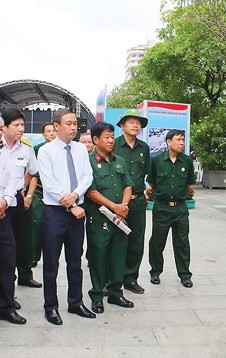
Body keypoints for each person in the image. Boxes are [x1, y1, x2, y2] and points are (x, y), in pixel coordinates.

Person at [37, 108, 96, 325]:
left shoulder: (81, 149)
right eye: (69, 123)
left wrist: (76, 194)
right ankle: (50, 307)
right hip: (55, 213)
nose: (73, 127)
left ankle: (75, 302)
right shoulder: (45, 151)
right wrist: (70, 203)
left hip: (76, 212)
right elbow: (49, 183)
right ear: (56, 126)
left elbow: (87, 175)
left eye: (75, 124)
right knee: (51, 263)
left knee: (75, 260)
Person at [85, 122, 135, 314]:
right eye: (106, 137)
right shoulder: (88, 161)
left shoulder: (119, 160)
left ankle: (116, 293)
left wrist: (123, 206)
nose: (111, 140)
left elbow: (128, 185)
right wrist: (114, 207)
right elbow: (91, 191)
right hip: (99, 219)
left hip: (119, 219)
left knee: (118, 256)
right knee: (98, 257)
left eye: (112, 137)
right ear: (95, 139)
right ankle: (97, 295)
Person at [0, 111, 27, 325]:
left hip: (4, 213)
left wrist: (5, 202)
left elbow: (11, 181)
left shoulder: (2, 154)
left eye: (1, 128)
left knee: (8, 261)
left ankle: (7, 307)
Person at [148, 130, 195, 288]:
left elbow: (189, 185)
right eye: (178, 140)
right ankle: (155, 272)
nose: (182, 143)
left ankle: (185, 275)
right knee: (157, 242)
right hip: (162, 208)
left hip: (180, 209)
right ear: (169, 142)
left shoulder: (187, 161)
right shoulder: (157, 160)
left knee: (182, 242)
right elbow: (152, 182)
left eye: (183, 139)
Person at [0, 108, 41, 288]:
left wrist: (25, 191)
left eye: (22, 125)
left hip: (19, 198)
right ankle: (7, 283)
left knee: (25, 240)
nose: (21, 128)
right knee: (5, 246)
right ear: (4, 127)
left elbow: (33, 172)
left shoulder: (26, 147)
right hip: (0, 200)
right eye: (16, 125)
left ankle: (25, 274)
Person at [113, 109, 150, 295]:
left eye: (138, 123)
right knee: (115, 241)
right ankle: (112, 280)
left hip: (137, 202)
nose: (136, 125)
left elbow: (147, 174)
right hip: (116, 202)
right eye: (132, 122)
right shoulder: (114, 145)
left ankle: (131, 278)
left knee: (136, 242)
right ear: (122, 125)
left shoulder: (144, 148)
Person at [26, 122, 56, 269]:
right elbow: (32, 173)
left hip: (58, 195)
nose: (51, 133)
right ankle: (33, 257)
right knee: (36, 225)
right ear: (43, 134)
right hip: (39, 191)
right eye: (48, 131)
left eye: (53, 130)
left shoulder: (63, 150)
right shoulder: (37, 149)